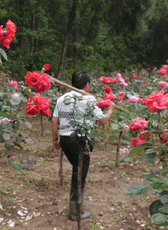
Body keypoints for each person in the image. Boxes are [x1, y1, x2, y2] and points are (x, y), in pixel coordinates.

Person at [51, 70, 115, 220]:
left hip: (65, 140)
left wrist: (55, 140)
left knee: (77, 171)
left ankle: (75, 209)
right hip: (80, 140)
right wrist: (110, 110)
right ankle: (76, 212)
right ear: (87, 85)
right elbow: (102, 121)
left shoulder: (62, 99)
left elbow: (55, 120)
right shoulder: (89, 99)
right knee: (79, 176)